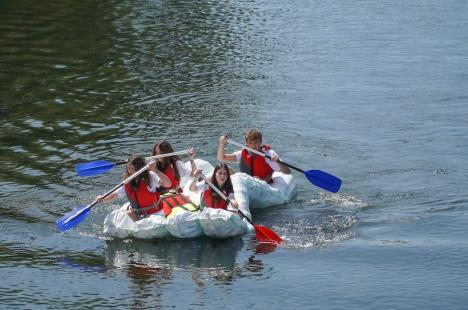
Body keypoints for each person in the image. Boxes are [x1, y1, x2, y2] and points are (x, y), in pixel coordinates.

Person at [96, 154, 171, 222]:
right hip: (137, 213)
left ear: (140, 168)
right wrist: (103, 199)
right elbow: (115, 195)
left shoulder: (150, 176)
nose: (130, 171)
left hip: (155, 212)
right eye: (128, 168)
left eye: (133, 169)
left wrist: (155, 170)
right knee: (129, 212)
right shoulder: (127, 181)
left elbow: (168, 184)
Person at [217, 129, 291, 184]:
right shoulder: (242, 153)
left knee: (256, 180)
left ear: (260, 142)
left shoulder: (269, 154)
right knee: (225, 168)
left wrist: (278, 162)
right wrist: (222, 144)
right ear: (246, 143)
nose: (253, 146)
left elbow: (287, 172)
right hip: (247, 182)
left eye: (256, 142)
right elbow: (222, 158)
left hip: (263, 183)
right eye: (250, 143)